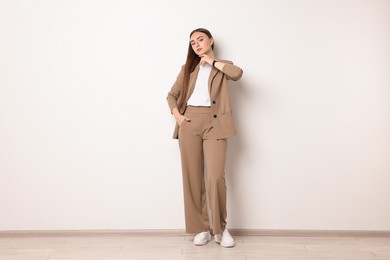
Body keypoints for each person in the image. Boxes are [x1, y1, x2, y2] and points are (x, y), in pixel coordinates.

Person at [166, 28, 243, 248]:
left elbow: (237, 74)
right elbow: (171, 95)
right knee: (192, 178)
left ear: (211, 41)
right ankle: (201, 228)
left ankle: (220, 229)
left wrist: (213, 62)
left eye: (200, 39)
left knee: (216, 177)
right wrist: (179, 117)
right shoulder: (187, 69)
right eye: (192, 42)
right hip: (189, 122)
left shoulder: (223, 65)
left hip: (215, 123)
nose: (197, 44)